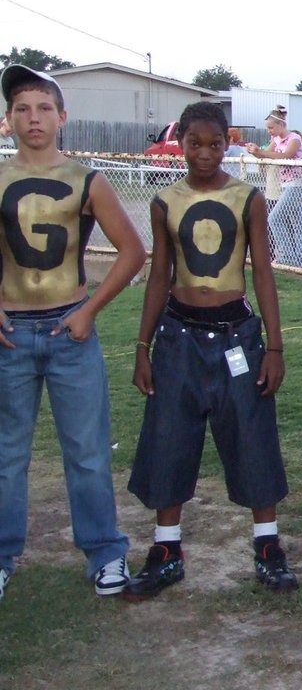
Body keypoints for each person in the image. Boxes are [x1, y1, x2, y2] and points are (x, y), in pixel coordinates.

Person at [124, 101, 295, 598]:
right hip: (178, 335)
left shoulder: (248, 198)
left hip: (235, 334)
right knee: (169, 436)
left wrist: (275, 346)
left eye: (214, 144)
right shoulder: (164, 201)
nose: (204, 153)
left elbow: (262, 270)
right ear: (181, 144)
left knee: (251, 435)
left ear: (228, 143)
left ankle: (267, 546)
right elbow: (160, 274)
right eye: (194, 144)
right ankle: (166, 548)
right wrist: (142, 345)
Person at [0, 65, 147, 600]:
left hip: (69, 331)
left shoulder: (87, 179)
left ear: (62, 117)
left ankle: (105, 552)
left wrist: (89, 310)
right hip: (10, 334)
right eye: (22, 108)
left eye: (43, 108)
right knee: (6, 453)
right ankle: (3, 552)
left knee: (86, 451)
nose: (33, 118)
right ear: (7, 119)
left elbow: (133, 251)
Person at [248, 106, 302, 269]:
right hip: (285, 185)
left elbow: (285, 156)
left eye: (271, 127)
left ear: (280, 125)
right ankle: (301, 259)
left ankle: (287, 255)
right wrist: (255, 151)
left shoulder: (294, 138)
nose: (269, 131)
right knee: (298, 221)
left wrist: (262, 152)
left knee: (274, 218)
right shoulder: (275, 140)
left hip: (296, 184)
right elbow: (265, 154)